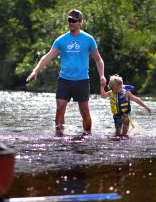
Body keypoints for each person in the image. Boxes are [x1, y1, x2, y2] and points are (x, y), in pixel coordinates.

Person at [26, 9, 106, 137]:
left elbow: (98, 59)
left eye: (74, 20)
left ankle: (87, 136)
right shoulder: (61, 40)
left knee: (85, 112)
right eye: (69, 20)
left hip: (82, 80)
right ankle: (59, 137)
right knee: (60, 109)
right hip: (64, 80)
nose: (71, 22)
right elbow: (48, 56)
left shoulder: (88, 39)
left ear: (80, 22)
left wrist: (102, 75)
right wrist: (35, 71)